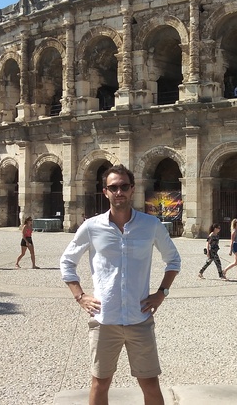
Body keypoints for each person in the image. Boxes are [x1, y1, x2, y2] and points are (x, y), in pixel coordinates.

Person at [60, 164, 181, 405]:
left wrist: (161, 293)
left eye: (124, 186)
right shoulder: (92, 226)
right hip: (105, 319)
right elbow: (67, 261)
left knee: (149, 383)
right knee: (100, 382)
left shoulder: (150, 225)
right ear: (105, 192)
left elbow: (173, 260)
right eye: (113, 187)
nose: (119, 192)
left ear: (132, 189)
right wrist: (79, 295)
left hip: (139, 318)